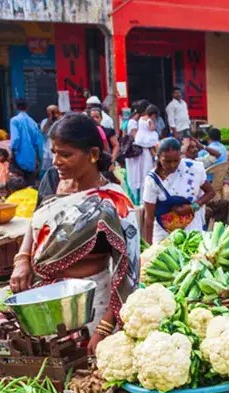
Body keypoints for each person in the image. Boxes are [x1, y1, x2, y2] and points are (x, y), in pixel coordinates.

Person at [10, 113, 139, 350]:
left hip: (90, 304)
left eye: (66, 154)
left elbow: (128, 272)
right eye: (54, 152)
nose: (56, 161)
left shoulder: (113, 203)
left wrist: (104, 327)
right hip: (44, 298)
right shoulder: (51, 179)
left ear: (93, 155)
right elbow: (36, 219)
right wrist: (22, 260)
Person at [141, 136, 214, 245]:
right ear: (158, 157)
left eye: (176, 161)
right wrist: (148, 247)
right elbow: (149, 217)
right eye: (167, 161)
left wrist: (193, 207)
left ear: (180, 156)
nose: (172, 165)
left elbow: (211, 192)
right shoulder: (152, 180)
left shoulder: (193, 170)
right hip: (164, 233)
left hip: (191, 229)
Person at [125, 102, 160, 204]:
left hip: (143, 145)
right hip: (146, 148)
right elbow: (152, 129)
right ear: (153, 114)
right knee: (147, 173)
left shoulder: (139, 120)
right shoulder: (149, 121)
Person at [10, 98, 45, 179]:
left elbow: (15, 139)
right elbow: (36, 143)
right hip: (31, 157)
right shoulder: (32, 122)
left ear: (16, 107)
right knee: (30, 181)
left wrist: (12, 151)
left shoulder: (14, 120)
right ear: (27, 107)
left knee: (18, 181)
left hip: (19, 156)